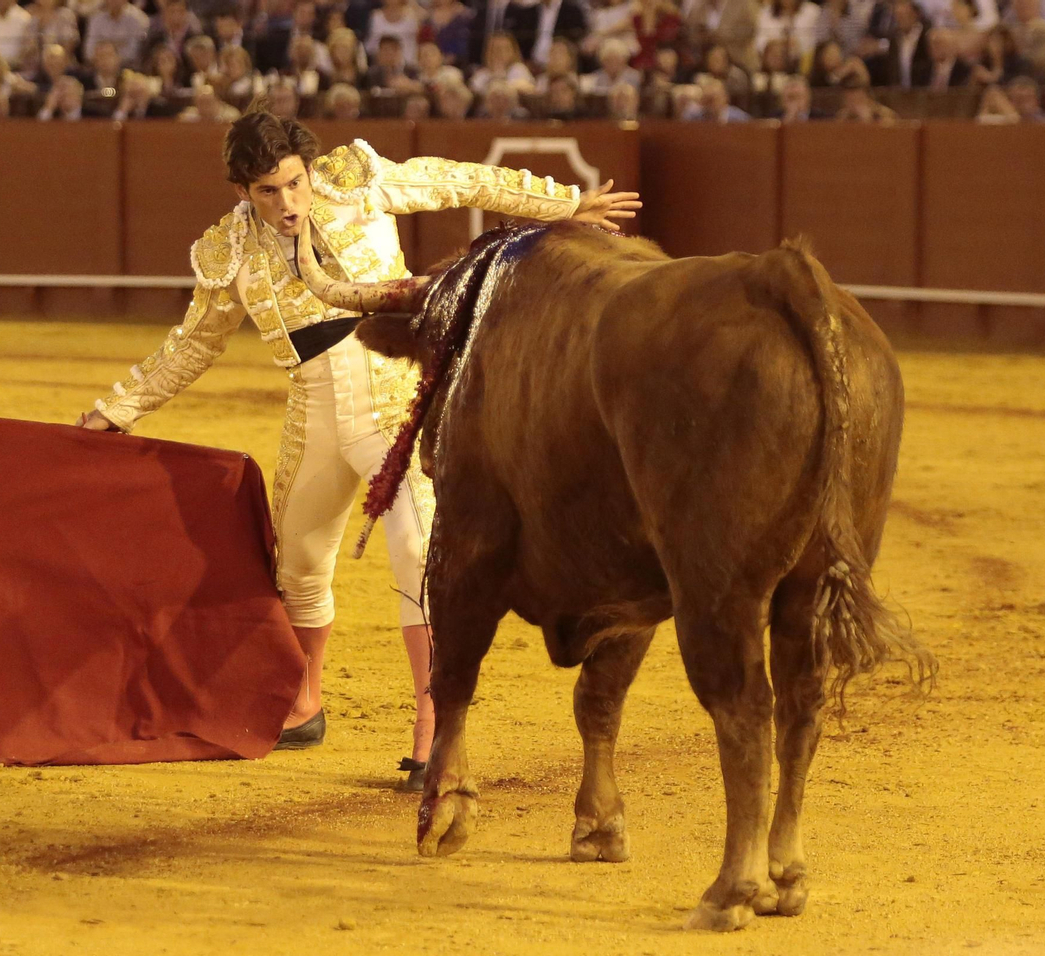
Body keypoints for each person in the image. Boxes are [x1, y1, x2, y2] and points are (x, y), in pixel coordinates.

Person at [75, 107, 639, 788]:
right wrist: (120, 407)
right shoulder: (229, 249)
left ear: (308, 169)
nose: (288, 202)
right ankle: (305, 703)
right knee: (299, 564)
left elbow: (453, 180)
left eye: (293, 183)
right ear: (241, 193)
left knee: (415, 552)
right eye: (268, 192)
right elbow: (194, 343)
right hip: (311, 410)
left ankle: (433, 731)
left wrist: (565, 204)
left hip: (391, 397)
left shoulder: (355, 181)